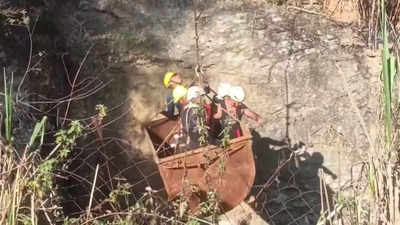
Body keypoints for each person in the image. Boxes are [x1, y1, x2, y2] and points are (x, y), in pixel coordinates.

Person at [175, 86, 213, 150]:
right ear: (196, 97)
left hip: (191, 144)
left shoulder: (185, 109)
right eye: (201, 96)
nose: (203, 99)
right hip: (197, 145)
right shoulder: (196, 110)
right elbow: (196, 130)